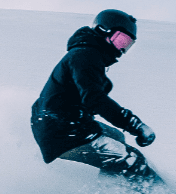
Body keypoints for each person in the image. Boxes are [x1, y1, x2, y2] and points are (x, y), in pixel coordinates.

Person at [31, 9, 159, 184]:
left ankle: (112, 190)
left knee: (117, 138)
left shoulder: (88, 55)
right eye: (120, 40)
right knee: (132, 160)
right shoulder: (85, 56)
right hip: (61, 130)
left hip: (66, 122)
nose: (121, 49)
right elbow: (94, 99)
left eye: (127, 44)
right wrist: (134, 124)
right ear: (102, 30)